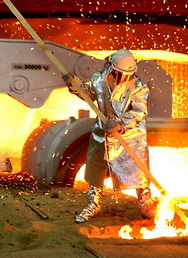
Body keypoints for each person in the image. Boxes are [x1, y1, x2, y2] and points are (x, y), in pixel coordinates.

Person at [64, 49, 153, 223]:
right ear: (112, 68)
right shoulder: (99, 79)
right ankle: (93, 205)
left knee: (138, 172)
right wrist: (76, 87)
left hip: (130, 136)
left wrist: (121, 124)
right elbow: (89, 95)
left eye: (127, 73)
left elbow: (139, 111)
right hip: (102, 135)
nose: (122, 76)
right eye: (119, 73)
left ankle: (145, 204)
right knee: (95, 171)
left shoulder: (139, 87)